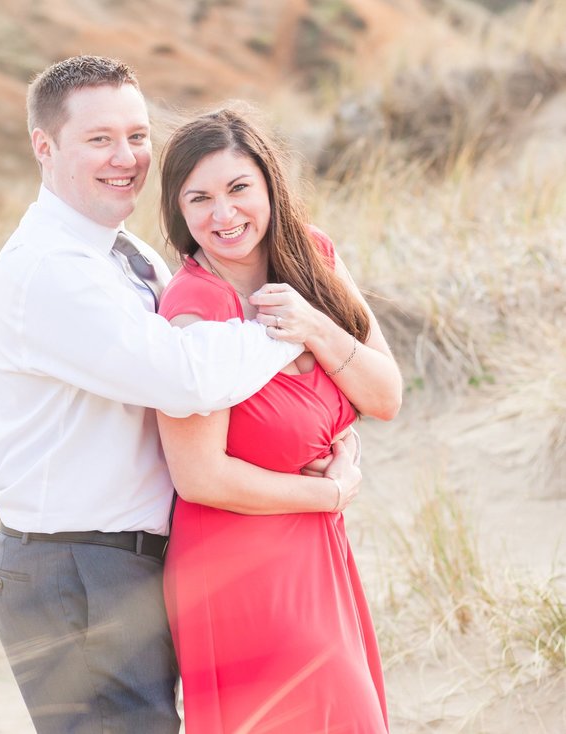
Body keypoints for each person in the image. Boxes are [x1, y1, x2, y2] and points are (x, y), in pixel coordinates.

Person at [0, 56, 363, 733]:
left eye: (136, 134)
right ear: (45, 146)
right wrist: (297, 323)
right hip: (74, 568)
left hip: (130, 563)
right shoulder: (50, 271)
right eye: (99, 139)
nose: (125, 157)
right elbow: (185, 380)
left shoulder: (129, 258)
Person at [155, 104, 403, 732]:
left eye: (239, 188)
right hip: (236, 565)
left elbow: (385, 395)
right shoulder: (192, 311)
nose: (224, 214)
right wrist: (330, 490)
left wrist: (314, 325)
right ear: (178, 211)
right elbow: (199, 476)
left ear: (269, 183)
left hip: (318, 549)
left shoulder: (313, 255)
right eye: (200, 198)